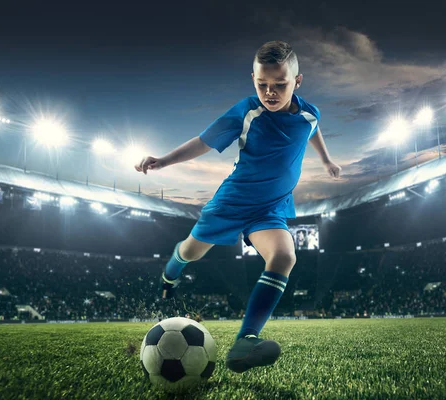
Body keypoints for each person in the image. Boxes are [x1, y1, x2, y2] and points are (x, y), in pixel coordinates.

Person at [135, 41, 341, 373]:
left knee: (285, 256)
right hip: (233, 201)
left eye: (280, 85)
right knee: (191, 252)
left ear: (297, 81)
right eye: (262, 85)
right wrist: (163, 161)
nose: (270, 93)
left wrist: (328, 161)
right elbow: (204, 141)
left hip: (271, 208)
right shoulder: (246, 112)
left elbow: (313, 131)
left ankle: (245, 342)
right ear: (253, 79)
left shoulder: (309, 114)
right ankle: (169, 276)